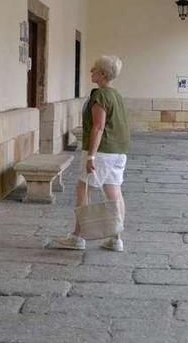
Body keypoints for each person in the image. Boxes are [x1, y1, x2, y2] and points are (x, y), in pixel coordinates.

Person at [50, 55, 130, 252]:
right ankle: (116, 239)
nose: (90, 71)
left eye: (94, 69)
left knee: (83, 189)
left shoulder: (100, 96)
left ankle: (78, 236)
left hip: (101, 152)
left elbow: (98, 127)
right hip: (118, 151)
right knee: (114, 192)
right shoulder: (116, 95)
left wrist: (91, 156)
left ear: (102, 74)